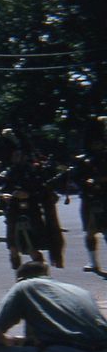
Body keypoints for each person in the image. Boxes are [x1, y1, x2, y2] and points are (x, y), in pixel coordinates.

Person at [0, 128, 64, 270]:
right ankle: (19, 280)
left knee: (33, 249)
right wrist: (5, 195)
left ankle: (44, 277)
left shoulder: (34, 170)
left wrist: (30, 195)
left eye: (18, 154)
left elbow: (43, 189)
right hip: (13, 212)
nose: (16, 156)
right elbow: (1, 189)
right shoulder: (8, 172)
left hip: (32, 211)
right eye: (14, 154)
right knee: (13, 248)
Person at [71, 116, 107, 272]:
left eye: (99, 142)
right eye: (95, 142)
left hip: (105, 197)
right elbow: (75, 179)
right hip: (89, 198)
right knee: (90, 231)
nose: (97, 145)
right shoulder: (82, 160)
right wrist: (86, 182)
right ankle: (93, 262)